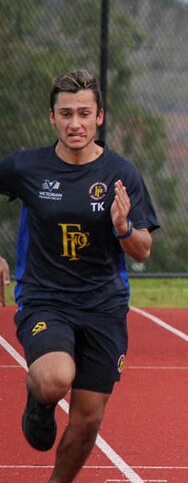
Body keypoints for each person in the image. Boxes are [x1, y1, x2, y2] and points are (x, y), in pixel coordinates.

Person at [0, 69, 159, 481]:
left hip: (104, 304)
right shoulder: (26, 167)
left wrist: (123, 227)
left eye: (84, 113)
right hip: (45, 297)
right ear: (52, 117)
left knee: (88, 419)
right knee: (56, 378)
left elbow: (142, 249)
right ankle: (40, 399)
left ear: (99, 117)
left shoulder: (121, 174)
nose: (75, 123)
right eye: (66, 113)